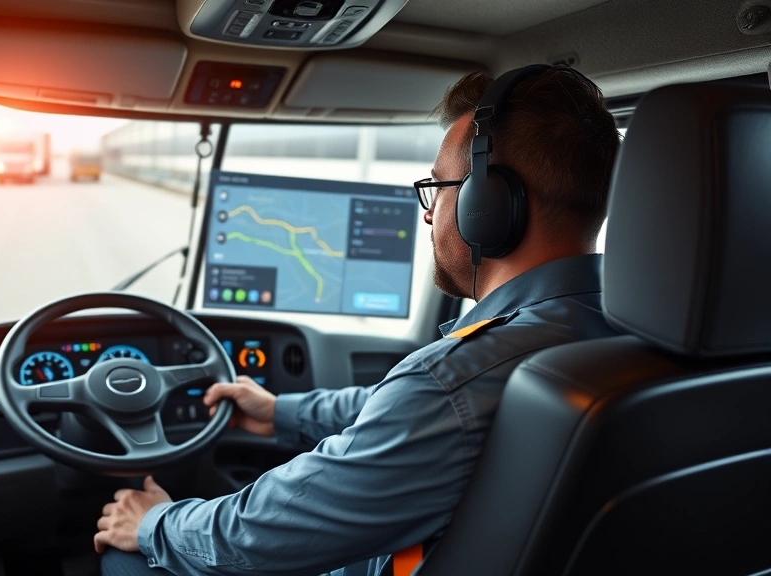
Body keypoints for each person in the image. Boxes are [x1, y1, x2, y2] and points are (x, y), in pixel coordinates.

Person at [94, 66, 622, 576]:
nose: (428, 213)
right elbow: (417, 416)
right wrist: (281, 413)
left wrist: (154, 524)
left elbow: (259, 535)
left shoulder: (453, 383)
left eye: (437, 188)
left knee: (128, 557)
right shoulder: (627, 336)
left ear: (488, 205)